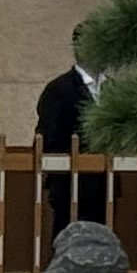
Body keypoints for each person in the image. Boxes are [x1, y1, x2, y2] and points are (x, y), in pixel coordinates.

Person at [37, 26, 105, 228]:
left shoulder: (113, 89)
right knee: (68, 241)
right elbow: (48, 136)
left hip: (105, 185)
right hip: (70, 185)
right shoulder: (59, 89)